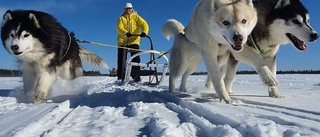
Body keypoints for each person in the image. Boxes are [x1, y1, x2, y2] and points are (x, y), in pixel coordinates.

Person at [117, 2, 149, 82]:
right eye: (126, 9)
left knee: (136, 59)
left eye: (129, 9)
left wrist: (144, 32)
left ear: (132, 9)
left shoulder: (136, 17)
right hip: (123, 41)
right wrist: (125, 33)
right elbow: (119, 28)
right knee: (121, 59)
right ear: (124, 10)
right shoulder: (121, 18)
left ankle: (136, 77)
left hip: (134, 41)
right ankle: (121, 77)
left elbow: (145, 24)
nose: (128, 10)